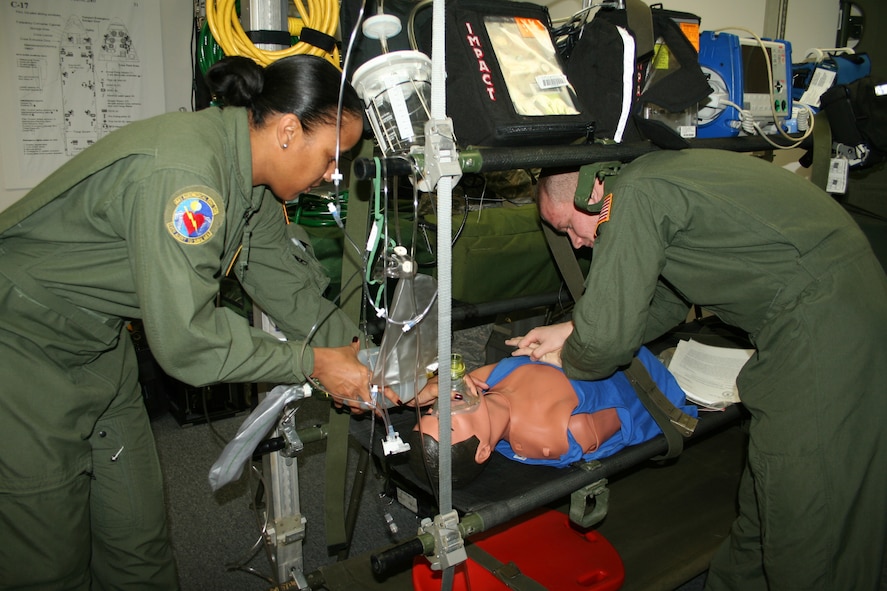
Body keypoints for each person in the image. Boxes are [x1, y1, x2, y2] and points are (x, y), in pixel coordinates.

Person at [0, 55, 391, 590]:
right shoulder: (189, 179)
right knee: (48, 562)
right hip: (20, 350)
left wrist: (370, 359)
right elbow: (187, 339)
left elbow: (285, 284)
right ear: (287, 130)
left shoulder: (252, 180)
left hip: (99, 344)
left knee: (138, 541)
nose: (331, 177)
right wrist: (314, 364)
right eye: (330, 159)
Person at [508, 149, 887, 591]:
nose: (575, 243)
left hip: (821, 326)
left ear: (593, 193)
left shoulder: (631, 195)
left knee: (808, 519)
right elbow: (666, 300)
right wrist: (571, 328)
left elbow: (606, 342)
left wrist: (569, 357)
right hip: (837, 308)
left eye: (568, 226)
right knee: (768, 508)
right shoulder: (654, 181)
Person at [408, 346, 696, 488]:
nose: (446, 405)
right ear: (484, 450)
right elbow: (627, 405)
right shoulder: (555, 433)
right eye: (451, 423)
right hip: (637, 368)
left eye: (433, 411)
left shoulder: (481, 385)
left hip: (600, 345)